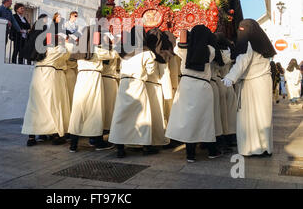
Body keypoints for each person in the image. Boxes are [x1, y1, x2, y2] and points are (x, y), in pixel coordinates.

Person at [165, 25, 221, 163]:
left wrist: (186, 36)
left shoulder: (184, 49)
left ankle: (190, 154)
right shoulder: (210, 50)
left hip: (186, 86)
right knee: (206, 120)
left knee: (188, 119)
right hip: (203, 87)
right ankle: (212, 151)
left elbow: (178, 46)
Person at [222, 19, 276, 157]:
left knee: (249, 116)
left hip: (252, 84)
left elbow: (242, 61)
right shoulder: (261, 44)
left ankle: (252, 148)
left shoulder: (248, 43)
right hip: (263, 81)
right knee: (263, 115)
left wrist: (230, 77)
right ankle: (265, 147)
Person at [108, 27, 162, 158]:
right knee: (142, 115)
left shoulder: (122, 50)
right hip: (138, 84)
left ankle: (120, 148)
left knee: (121, 115)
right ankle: (145, 146)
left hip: (124, 84)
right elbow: (150, 72)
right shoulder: (147, 53)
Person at [68, 26, 118, 152]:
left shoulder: (78, 48)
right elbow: (114, 54)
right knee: (95, 109)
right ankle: (98, 141)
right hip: (93, 78)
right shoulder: (98, 49)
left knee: (78, 110)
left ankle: (73, 144)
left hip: (81, 78)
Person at [21, 24, 71, 146]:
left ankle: (31, 137)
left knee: (35, 106)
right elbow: (68, 53)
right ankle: (55, 134)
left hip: (37, 76)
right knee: (51, 105)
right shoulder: (56, 50)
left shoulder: (39, 49)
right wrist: (66, 40)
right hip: (49, 77)